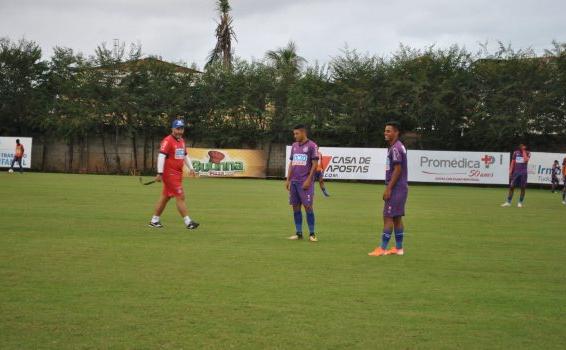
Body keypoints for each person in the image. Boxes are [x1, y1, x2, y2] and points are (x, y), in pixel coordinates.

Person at [148, 119, 199, 229]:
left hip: (177, 174)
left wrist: (191, 168)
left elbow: (185, 155)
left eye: (181, 129)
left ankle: (154, 220)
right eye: (177, 129)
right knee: (180, 196)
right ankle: (188, 222)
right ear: (172, 129)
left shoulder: (181, 141)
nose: (180, 131)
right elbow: (161, 156)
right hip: (169, 174)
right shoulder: (167, 141)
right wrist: (159, 173)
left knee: (165, 197)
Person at [369, 121, 408, 256]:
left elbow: (398, 169)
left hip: (396, 188)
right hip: (401, 187)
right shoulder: (397, 147)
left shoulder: (396, 148)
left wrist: (389, 189)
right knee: (396, 218)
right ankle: (398, 248)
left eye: (389, 131)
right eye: (385, 131)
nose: (385, 133)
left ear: (396, 132)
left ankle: (382, 248)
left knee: (388, 217)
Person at [286, 125, 319, 242]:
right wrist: (288, 179)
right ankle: (298, 233)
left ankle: (312, 234)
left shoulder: (312, 146)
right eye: (294, 134)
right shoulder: (294, 146)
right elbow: (292, 163)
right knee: (295, 207)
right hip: (294, 182)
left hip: (305, 182)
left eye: (297, 134)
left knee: (308, 207)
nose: (295, 136)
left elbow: (315, 165)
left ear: (303, 133)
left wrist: (309, 180)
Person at [501, 143, 530, 208]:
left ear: (525, 146)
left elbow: (526, 160)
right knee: (511, 187)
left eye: (523, 145)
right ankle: (508, 202)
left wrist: (523, 151)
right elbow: (513, 162)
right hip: (516, 173)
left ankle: (520, 203)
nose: (522, 146)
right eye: (521, 145)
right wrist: (510, 172)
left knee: (523, 188)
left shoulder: (528, 153)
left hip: (523, 173)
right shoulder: (515, 153)